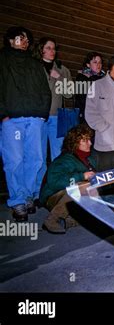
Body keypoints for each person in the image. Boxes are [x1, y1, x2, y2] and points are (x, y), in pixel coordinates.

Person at [0, 26, 52, 222]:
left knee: (36, 159)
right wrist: (3, 114)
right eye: (22, 38)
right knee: (14, 161)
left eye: (28, 39)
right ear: (11, 40)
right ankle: (17, 201)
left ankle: (29, 195)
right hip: (12, 119)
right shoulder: (3, 59)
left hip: (35, 119)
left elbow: (45, 90)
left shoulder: (34, 63)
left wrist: (42, 114)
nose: (26, 41)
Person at [40, 124, 96, 234]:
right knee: (83, 186)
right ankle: (52, 219)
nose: (90, 143)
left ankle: (69, 220)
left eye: (89, 140)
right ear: (75, 143)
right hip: (53, 196)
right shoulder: (64, 160)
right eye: (85, 140)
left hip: (66, 196)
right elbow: (54, 183)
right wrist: (82, 176)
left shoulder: (88, 160)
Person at [34, 37, 73, 161]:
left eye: (54, 48)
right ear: (41, 50)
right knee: (39, 155)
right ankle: (41, 181)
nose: (52, 51)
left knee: (58, 153)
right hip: (38, 116)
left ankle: (57, 179)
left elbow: (69, 94)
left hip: (57, 117)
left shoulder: (63, 69)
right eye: (48, 48)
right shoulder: (33, 67)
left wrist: (59, 78)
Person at [75, 52, 105, 121]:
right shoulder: (82, 77)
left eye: (100, 62)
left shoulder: (104, 78)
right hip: (85, 115)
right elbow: (83, 99)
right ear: (88, 65)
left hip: (100, 116)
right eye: (95, 62)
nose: (98, 65)